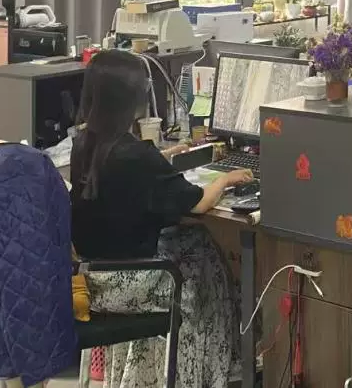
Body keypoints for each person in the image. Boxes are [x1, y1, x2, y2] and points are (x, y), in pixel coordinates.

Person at [70, 51, 251, 388]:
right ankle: (211, 373)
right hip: (131, 283)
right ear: (131, 97)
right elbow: (199, 203)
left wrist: (166, 154)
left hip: (91, 276)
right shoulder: (137, 156)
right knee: (203, 257)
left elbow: (130, 175)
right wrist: (226, 179)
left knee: (188, 242)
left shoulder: (83, 142)